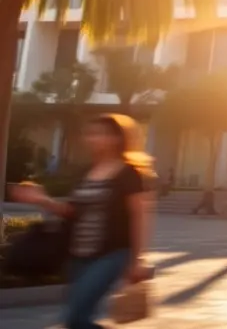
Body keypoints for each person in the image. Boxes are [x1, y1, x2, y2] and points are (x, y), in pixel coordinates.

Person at [10, 114, 156, 329]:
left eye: (101, 134)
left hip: (113, 253)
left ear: (117, 138)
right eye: (91, 133)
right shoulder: (86, 172)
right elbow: (72, 211)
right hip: (78, 255)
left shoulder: (128, 174)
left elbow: (139, 216)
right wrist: (41, 200)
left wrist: (137, 260)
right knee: (77, 318)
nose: (93, 138)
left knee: (76, 318)